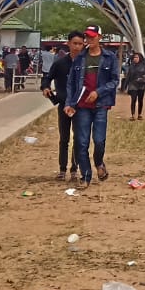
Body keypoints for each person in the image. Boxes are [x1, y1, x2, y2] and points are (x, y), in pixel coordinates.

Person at [64, 26, 119, 186]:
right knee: (81, 142)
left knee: (99, 140)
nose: (89, 40)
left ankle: (99, 162)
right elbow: (71, 83)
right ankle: (85, 176)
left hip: (101, 105)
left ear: (99, 37)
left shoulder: (110, 57)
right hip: (82, 106)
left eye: (92, 37)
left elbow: (115, 80)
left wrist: (99, 92)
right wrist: (69, 103)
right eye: (87, 37)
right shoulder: (80, 58)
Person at [42, 32, 84, 181]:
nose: (77, 46)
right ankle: (62, 169)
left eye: (80, 44)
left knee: (78, 139)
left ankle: (74, 169)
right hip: (64, 105)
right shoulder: (60, 63)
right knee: (64, 138)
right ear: (68, 44)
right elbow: (47, 78)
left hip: (80, 106)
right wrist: (45, 87)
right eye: (75, 43)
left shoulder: (85, 64)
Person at [123, 52, 145, 120]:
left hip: (141, 85)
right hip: (133, 85)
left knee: (140, 100)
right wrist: (125, 86)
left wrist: (142, 79)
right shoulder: (131, 67)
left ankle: (139, 114)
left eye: (137, 57)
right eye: (134, 57)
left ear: (140, 58)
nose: (135, 59)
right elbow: (128, 77)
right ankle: (133, 115)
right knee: (133, 100)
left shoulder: (144, 66)